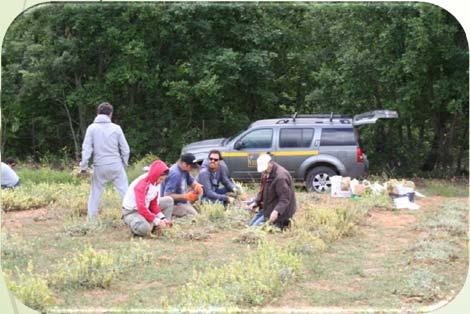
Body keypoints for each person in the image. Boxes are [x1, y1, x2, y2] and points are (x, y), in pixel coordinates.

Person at [79, 102, 130, 220]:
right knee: (125, 193)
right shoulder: (116, 128)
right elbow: (125, 149)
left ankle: (91, 220)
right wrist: (124, 164)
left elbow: (86, 149)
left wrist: (83, 167)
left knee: (95, 194)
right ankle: (130, 216)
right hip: (116, 164)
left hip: (99, 165)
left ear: (97, 113)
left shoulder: (91, 128)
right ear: (110, 114)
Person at [122, 160, 173, 237]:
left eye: (163, 180)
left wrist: (162, 218)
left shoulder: (156, 182)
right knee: (145, 228)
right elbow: (141, 208)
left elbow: (153, 205)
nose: (161, 182)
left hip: (146, 208)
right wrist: (156, 220)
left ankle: (161, 226)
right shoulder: (141, 185)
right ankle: (135, 224)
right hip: (132, 211)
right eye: (161, 179)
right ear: (156, 175)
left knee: (168, 201)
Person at [248, 153, 296, 229]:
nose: (263, 171)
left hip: (280, 212)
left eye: (264, 168)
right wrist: (256, 202)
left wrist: (276, 211)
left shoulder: (280, 177)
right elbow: (262, 191)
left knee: (254, 229)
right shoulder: (265, 173)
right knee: (250, 226)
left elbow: (285, 199)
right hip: (267, 208)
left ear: (270, 163)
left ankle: (283, 223)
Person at [160, 153, 203, 217]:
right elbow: (167, 196)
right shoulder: (175, 174)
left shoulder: (184, 170)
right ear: (184, 164)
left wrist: (197, 186)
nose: (192, 168)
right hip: (172, 205)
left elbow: (191, 181)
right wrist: (186, 196)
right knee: (195, 216)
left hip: (182, 202)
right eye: (191, 166)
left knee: (199, 209)